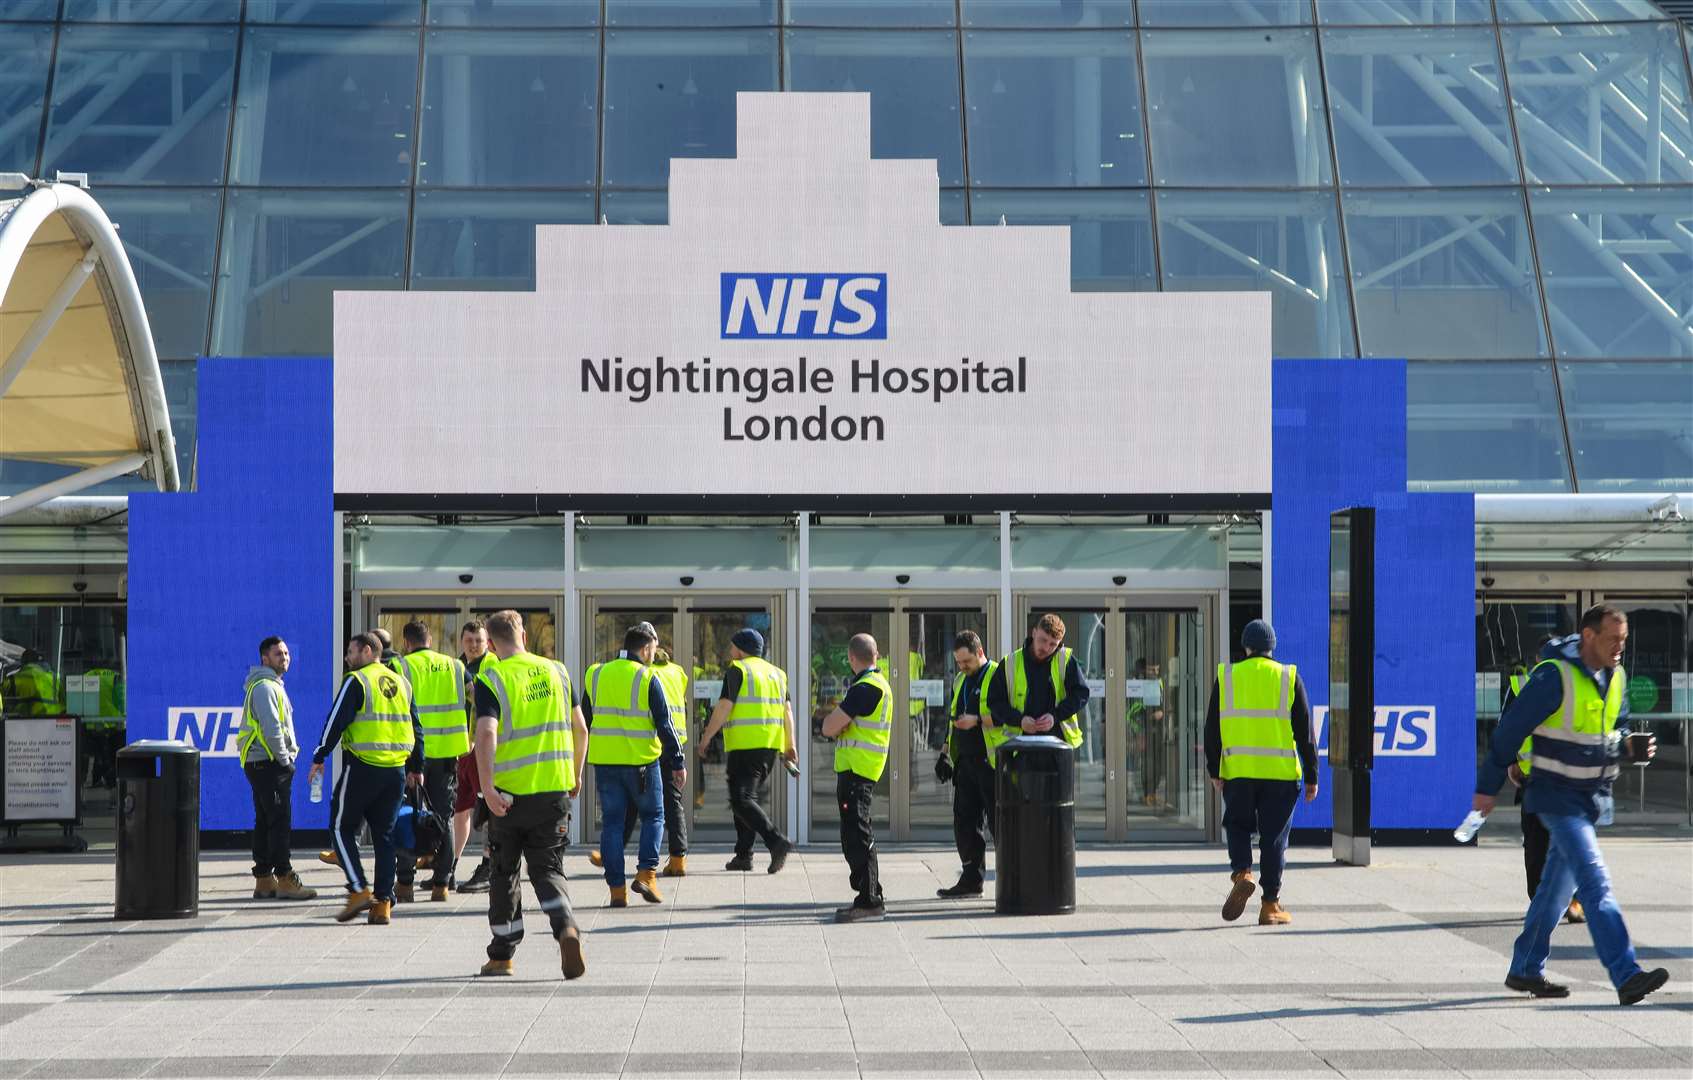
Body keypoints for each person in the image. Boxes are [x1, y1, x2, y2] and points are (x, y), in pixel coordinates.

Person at [1475, 605, 1669, 1005]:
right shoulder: (1553, 675)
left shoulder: (1615, 677)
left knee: (1554, 893)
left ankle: (1525, 968)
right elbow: (1510, 729)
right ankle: (1626, 973)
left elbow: (1615, 731)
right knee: (1595, 882)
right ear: (1588, 636)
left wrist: (1630, 746)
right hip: (1555, 797)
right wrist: (1487, 787)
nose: (1620, 647)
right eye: (1613, 639)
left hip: (1589, 799)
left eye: (1624, 639)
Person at [473, 609, 587, 979]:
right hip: (553, 791)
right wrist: (575, 773)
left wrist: (487, 788)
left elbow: (487, 734)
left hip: (509, 798)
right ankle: (566, 925)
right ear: (522, 632)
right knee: (548, 867)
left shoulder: (492, 676)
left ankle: (502, 954)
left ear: (490, 643)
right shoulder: (558, 671)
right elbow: (581, 728)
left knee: (504, 872)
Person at [1203, 619, 1318, 926]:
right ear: (1272, 648)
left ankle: (1242, 871)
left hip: (1238, 771)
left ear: (1246, 646)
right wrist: (1312, 775)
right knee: (1273, 839)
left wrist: (1215, 769)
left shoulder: (1227, 676)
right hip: (1279, 774)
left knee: (1238, 826)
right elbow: (1305, 731)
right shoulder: (1287, 676)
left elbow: (1212, 728)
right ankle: (1270, 905)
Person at [307, 632, 424, 926]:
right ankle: (383, 903)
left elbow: (336, 720)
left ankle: (358, 890)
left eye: (351, 651)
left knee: (339, 826)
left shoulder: (357, 680)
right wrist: (415, 765)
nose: (347, 657)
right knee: (384, 836)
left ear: (368, 650)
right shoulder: (402, 682)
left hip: (363, 766)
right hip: (395, 770)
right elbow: (415, 725)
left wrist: (319, 756)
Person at [585, 623, 686, 906]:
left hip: (605, 762)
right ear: (644, 649)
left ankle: (617, 892)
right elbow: (665, 724)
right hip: (642, 762)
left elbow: (585, 718)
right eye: (653, 649)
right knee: (654, 817)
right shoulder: (647, 677)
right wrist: (678, 761)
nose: (654, 654)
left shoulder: (595, 674)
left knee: (613, 824)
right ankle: (646, 875)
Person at [697, 628, 797, 873]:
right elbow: (787, 712)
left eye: (733, 647)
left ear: (741, 649)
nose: (730, 652)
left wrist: (706, 737)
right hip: (769, 746)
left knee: (741, 800)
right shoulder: (777, 674)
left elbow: (723, 707)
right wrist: (789, 744)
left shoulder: (738, 669)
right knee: (745, 799)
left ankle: (776, 841)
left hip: (745, 745)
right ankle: (743, 855)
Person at [1504, 639, 1584, 925]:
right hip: (1534, 780)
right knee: (1539, 846)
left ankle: (1571, 900)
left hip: (1563, 780)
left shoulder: (1573, 685)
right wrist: (1512, 762)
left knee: (1560, 844)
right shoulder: (1522, 685)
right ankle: (1544, 901)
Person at [820, 633, 893, 923]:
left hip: (857, 771)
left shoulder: (864, 688)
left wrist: (834, 723)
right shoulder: (880, 684)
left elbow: (828, 726)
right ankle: (870, 893)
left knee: (857, 835)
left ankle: (870, 900)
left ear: (852, 658)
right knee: (859, 832)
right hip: (863, 768)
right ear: (876, 654)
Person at [394, 620, 468, 903]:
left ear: (406, 642)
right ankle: (442, 883)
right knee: (443, 817)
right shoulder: (455, 666)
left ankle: (405, 883)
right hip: (448, 752)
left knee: (407, 815)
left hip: (414, 752)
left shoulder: (402, 667)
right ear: (430, 640)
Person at [239, 636, 315, 901]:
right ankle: (284, 876)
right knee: (279, 821)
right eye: (278, 654)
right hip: (270, 763)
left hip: (263, 763)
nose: (284, 657)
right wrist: (285, 761)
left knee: (265, 820)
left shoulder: (270, 685)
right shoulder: (265, 687)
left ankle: (264, 880)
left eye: (285, 653)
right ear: (264, 659)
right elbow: (272, 730)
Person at [934, 631, 1000, 899]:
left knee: (999, 825)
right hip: (965, 762)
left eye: (967, 661)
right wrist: (945, 753)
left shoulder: (997, 675)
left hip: (991, 762)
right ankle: (971, 879)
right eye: (959, 662)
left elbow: (1010, 715)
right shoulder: (961, 679)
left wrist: (978, 720)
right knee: (965, 823)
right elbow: (954, 718)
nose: (962, 667)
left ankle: (1014, 880)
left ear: (980, 652)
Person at [986, 613, 1090, 749]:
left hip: (1058, 746)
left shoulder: (1066, 660)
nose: (1046, 648)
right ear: (1034, 633)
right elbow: (994, 701)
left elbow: (1081, 694)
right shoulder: (1010, 663)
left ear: (1060, 643)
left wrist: (1055, 716)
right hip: (1019, 746)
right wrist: (1020, 720)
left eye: (1053, 644)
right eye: (1043, 640)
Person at [455, 620, 497, 894]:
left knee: (489, 807)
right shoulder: (456, 666)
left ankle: (489, 864)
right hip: (458, 749)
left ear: (487, 642)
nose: (473, 645)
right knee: (460, 808)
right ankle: (449, 865)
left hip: (481, 747)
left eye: (479, 641)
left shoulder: (491, 665)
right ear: (461, 641)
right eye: (469, 640)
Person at [3, 649, 62, 716]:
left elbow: (2, 700)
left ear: (22, 662)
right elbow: (64, 704)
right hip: (52, 721)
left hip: (21, 722)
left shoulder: (11, 680)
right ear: (37, 662)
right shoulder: (54, 679)